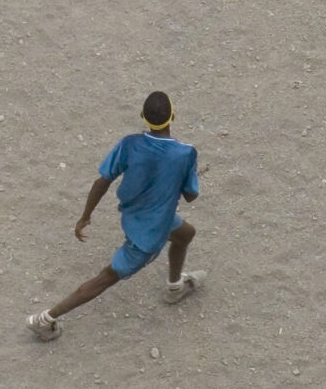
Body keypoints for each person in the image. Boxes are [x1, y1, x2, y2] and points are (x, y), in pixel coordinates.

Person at [28, 92, 205, 340]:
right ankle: (45, 319)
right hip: (150, 234)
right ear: (173, 116)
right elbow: (190, 195)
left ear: (143, 118)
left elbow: (102, 181)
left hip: (137, 215)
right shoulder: (185, 153)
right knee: (105, 278)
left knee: (186, 234)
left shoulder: (129, 144)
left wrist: (85, 216)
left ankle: (174, 287)